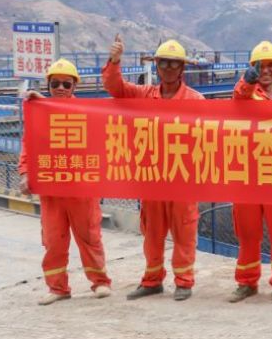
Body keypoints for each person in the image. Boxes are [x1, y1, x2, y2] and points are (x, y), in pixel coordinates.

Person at [103, 35, 204, 301]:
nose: (168, 68)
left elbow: (210, 138)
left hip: (183, 180)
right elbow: (115, 87)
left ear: (182, 68)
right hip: (152, 178)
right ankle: (152, 281)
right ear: (157, 66)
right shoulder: (143, 95)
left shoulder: (196, 100)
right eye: (163, 63)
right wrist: (114, 61)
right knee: (152, 233)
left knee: (184, 231)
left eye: (174, 63)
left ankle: (184, 281)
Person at [18, 59, 112, 305]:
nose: (60, 88)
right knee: (53, 241)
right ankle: (58, 288)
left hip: (81, 189)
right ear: (48, 85)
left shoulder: (84, 111)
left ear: (74, 87)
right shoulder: (38, 114)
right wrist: (25, 173)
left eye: (66, 84)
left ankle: (100, 282)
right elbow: (28, 146)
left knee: (89, 237)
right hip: (51, 190)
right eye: (55, 83)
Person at [228, 40, 272, 303]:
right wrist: (247, 80)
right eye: (260, 66)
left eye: (270, 65)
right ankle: (247, 283)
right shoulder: (247, 95)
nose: (265, 70)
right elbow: (238, 97)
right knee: (247, 232)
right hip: (248, 176)